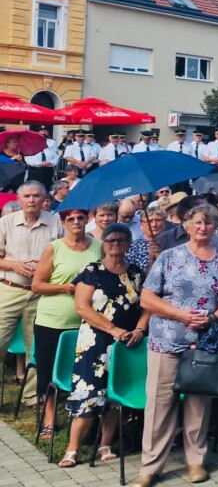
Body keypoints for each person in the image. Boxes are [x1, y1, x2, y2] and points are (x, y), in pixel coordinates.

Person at [131, 204, 218, 487]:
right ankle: (150, 467)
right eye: (197, 222)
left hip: (206, 341)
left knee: (198, 405)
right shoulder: (169, 257)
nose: (203, 227)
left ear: (215, 226)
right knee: (159, 405)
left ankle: (196, 462)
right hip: (167, 339)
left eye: (208, 223)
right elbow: (147, 298)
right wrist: (180, 314)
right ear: (185, 226)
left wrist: (213, 317)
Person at [58, 223, 148, 469]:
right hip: (96, 342)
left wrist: (140, 329)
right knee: (88, 395)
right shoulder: (92, 270)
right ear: (103, 243)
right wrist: (113, 329)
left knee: (113, 395)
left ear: (129, 243)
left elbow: (147, 305)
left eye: (121, 240)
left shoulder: (137, 272)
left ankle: (105, 444)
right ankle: (72, 448)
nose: (116, 244)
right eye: (111, 240)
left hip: (128, 342)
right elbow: (82, 307)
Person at [31, 207, 103, 439]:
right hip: (53, 320)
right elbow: (37, 285)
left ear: (87, 219)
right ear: (63, 222)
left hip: (86, 321)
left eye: (80, 218)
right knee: (48, 370)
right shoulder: (55, 248)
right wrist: (67, 287)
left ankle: (81, 416)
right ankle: (49, 418)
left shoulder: (97, 246)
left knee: (82, 372)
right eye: (70, 219)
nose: (76, 222)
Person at [0, 181, 62, 412]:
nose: (31, 200)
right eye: (27, 196)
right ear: (19, 199)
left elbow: (66, 250)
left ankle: (32, 397)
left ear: (45, 198)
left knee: (35, 347)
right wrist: (14, 265)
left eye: (37, 196)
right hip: (9, 288)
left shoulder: (56, 221)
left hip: (41, 294)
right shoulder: (5, 222)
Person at [126, 207, 165, 274]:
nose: (154, 225)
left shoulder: (172, 242)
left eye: (158, 220)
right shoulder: (132, 247)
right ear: (141, 225)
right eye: (149, 221)